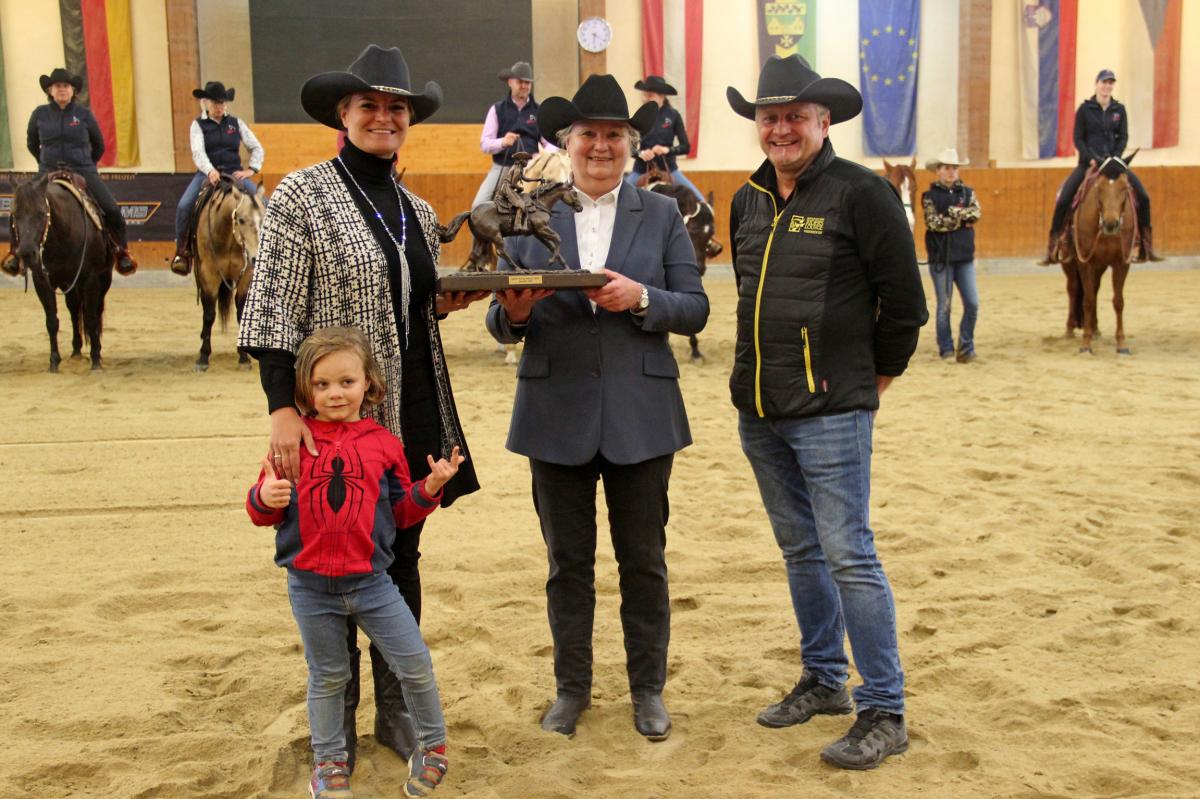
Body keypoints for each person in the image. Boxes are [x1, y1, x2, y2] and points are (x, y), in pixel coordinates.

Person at [237, 44, 486, 773]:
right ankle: (336, 709)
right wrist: (283, 408)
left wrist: (447, 301)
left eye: (396, 108)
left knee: (398, 554)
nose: (384, 117)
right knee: (327, 553)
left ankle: (394, 707)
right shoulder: (299, 194)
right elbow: (273, 305)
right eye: (369, 105)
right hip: (324, 419)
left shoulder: (415, 206)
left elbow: (409, 306)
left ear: (408, 120)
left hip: (404, 410)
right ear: (343, 115)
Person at [486, 74, 709, 742]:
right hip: (555, 412)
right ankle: (571, 688)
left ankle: (648, 690)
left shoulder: (665, 214)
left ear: (631, 145)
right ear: (568, 142)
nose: (602, 146)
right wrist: (515, 313)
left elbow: (694, 306)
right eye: (589, 135)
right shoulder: (531, 211)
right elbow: (500, 318)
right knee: (567, 566)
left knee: (644, 560)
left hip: (643, 415)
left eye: (615, 135)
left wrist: (642, 298)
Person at [725, 55, 928, 770]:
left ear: (823, 121)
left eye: (795, 116)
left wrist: (870, 381)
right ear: (758, 124)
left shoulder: (862, 194)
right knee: (801, 549)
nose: (781, 128)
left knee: (849, 553)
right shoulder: (746, 198)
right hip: (759, 407)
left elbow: (905, 304)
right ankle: (823, 679)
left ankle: (885, 706)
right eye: (770, 116)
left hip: (832, 408)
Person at [246, 326, 460, 799]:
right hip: (309, 587)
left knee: (415, 663)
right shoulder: (293, 444)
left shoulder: (384, 443)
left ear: (369, 383)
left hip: (373, 583)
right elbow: (263, 511)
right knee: (329, 677)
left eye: (346, 382)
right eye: (321, 385)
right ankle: (329, 763)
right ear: (305, 389)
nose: (334, 393)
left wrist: (430, 488)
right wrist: (265, 496)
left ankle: (433, 747)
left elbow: (400, 511)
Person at [21, 67, 136, 275]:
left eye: (66, 86)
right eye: (58, 86)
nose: (62, 89)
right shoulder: (39, 114)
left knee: (112, 210)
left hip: (82, 170)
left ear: (73, 90)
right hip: (48, 171)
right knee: (23, 206)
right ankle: (17, 254)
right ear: (50, 90)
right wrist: (44, 163)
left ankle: (121, 252)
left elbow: (98, 144)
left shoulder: (84, 115)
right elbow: (31, 143)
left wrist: (86, 165)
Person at [1041, 69, 1161, 263]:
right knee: (1064, 198)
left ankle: (1146, 247)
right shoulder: (1084, 110)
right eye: (1104, 83)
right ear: (1096, 84)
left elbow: (1123, 137)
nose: (1107, 86)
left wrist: (1116, 158)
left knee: (1144, 197)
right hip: (1089, 163)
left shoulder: (1119, 110)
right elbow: (1078, 139)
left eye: (1110, 83)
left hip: (1114, 164)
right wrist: (1090, 158)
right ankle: (1054, 244)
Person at [169, 81, 265, 276]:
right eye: (215, 103)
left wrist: (252, 169)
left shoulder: (236, 123)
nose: (219, 107)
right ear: (205, 103)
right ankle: (183, 252)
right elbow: (198, 152)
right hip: (207, 175)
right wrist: (210, 170)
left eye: (222, 103)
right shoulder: (198, 125)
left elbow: (257, 147)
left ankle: (269, 251)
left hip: (234, 173)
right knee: (184, 206)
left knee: (264, 202)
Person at [922, 148, 982, 363]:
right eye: (947, 168)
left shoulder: (968, 193)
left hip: (964, 257)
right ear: (938, 170)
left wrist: (952, 213)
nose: (951, 172)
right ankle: (946, 348)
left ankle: (966, 346)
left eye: (954, 168)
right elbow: (933, 223)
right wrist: (962, 220)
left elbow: (976, 213)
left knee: (973, 303)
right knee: (944, 305)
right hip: (941, 259)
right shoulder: (929, 196)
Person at [471, 61, 557, 208]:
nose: (524, 86)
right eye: (520, 82)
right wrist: (503, 142)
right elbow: (485, 144)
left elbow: (550, 142)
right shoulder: (497, 109)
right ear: (510, 82)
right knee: (478, 205)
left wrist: (542, 156)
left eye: (527, 83)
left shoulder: (539, 110)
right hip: (503, 166)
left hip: (532, 168)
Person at [624, 75, 704, 202]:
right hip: (641, 170)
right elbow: (629, 148)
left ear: (661, 97)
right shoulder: (639, 116)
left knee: (699, 199)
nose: (645, 99)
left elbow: (685, 147)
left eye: (650, 95)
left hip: (669, 170)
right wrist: (641, 153)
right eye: (644, 95)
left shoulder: (673, 116)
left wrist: (666, 150)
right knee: (619, 197)